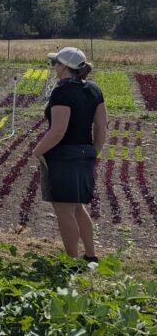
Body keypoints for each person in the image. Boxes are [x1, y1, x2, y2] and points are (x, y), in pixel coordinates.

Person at [31, 47, 108, 267]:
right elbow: (102, 125)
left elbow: (58, 131)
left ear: (64, 66)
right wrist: (94, 151)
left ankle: (72, 263)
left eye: (55, 63)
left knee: (64, 211)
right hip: (84, 152)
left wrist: (38, 151)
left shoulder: (62, 93)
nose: (53, 66)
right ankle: (91, 257)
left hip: (63, 155)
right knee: (77, 207)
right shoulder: (94, 90)